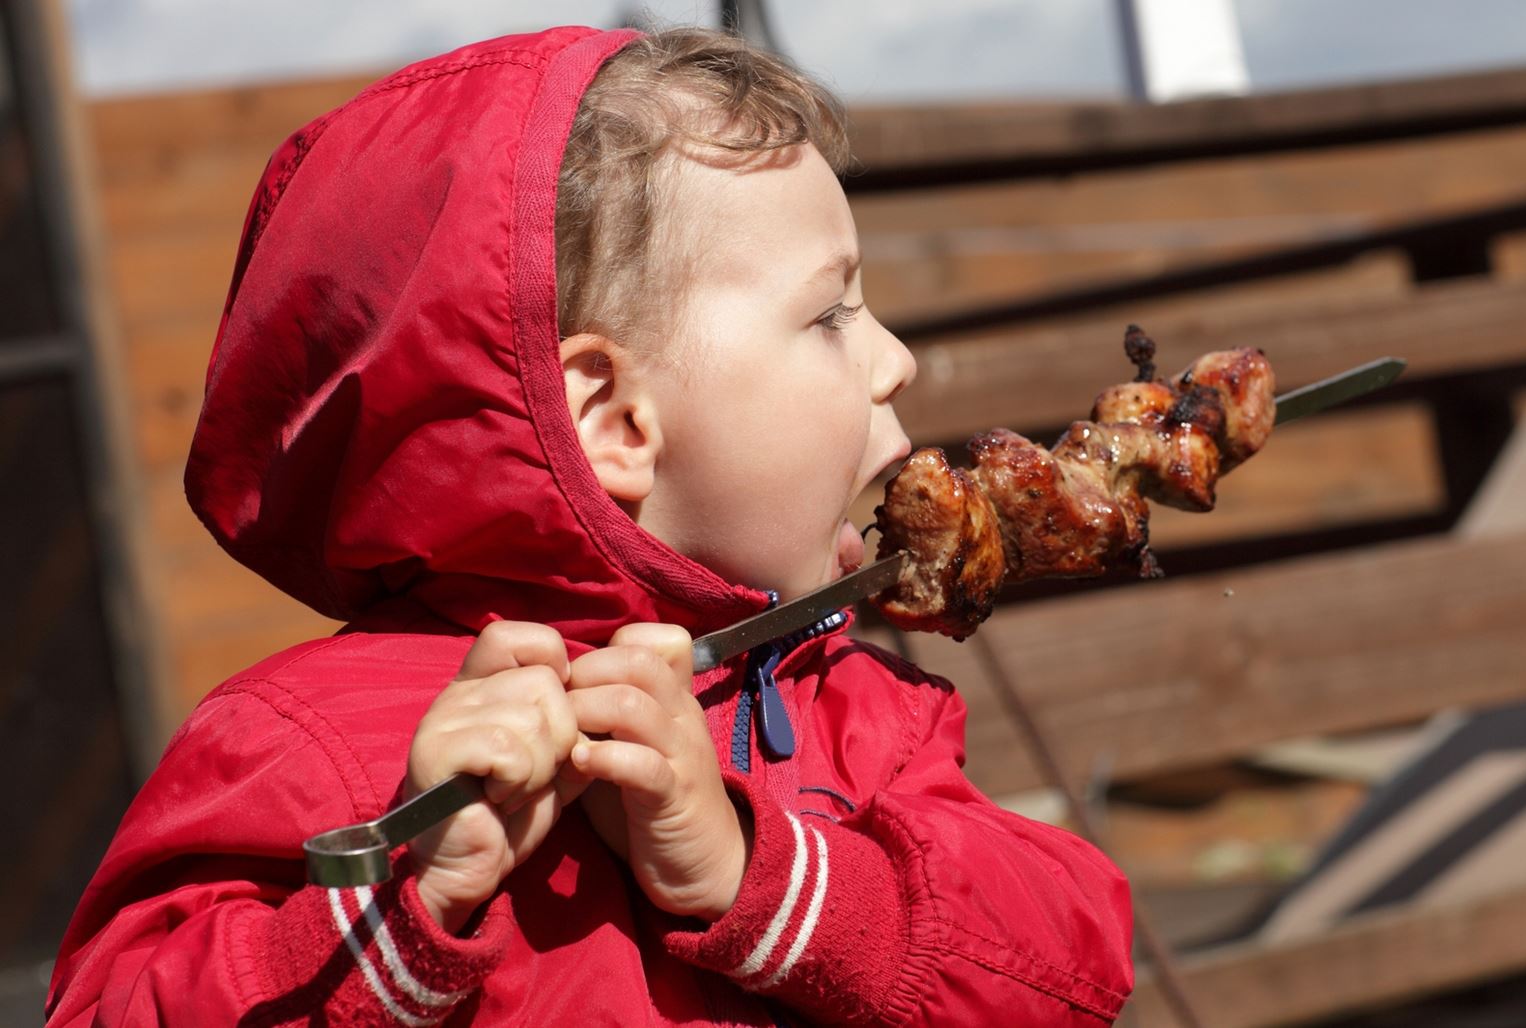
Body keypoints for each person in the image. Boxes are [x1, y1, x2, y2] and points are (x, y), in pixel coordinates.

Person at [47, 24, 1133, 1026]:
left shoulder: (859, 713)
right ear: (615, 417)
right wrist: (402, 910)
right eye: (829, 313)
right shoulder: (310, 743)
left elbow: (1070, 970)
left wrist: (757, 873)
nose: (893, 357)